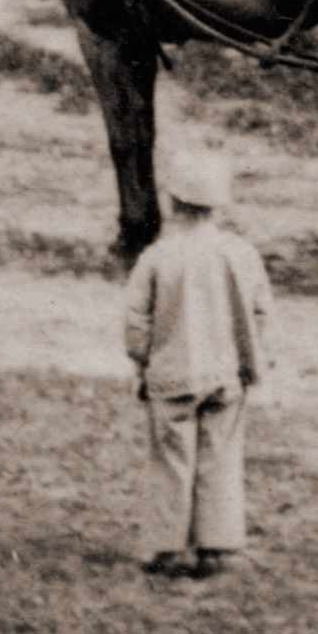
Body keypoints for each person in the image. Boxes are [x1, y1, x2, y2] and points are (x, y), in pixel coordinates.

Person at [121, 146, 271, 581]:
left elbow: (136, 322)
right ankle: (219, 546)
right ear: (220, 206)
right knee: (220, 455)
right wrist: (252, 356)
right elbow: (261, 312)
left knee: (171, 457)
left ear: (172, 202)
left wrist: (142, 361)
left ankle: (169, 547)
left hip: (171, 375)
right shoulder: (242, 254)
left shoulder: (157, 257)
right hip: (227, 376)